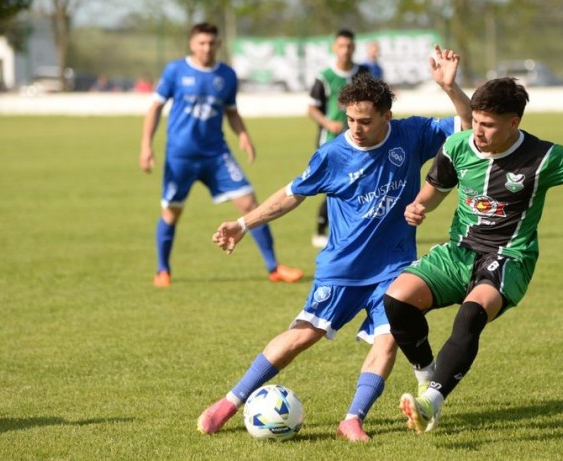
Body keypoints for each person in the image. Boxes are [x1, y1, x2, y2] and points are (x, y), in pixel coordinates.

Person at [197, 45, 473, 442]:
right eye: (350, 119)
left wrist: (450, 88)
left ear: (386, 116)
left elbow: (466, 126)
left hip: (394, 267)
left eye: (364, 121)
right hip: (342, 268)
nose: (355, 128)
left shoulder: (412, 134)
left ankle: (352, 419)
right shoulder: (332, 154)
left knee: (388, 340)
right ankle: (229, 402)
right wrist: (243, 223)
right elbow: (291, 195)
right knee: (302, 334)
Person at [382, 77, 563, 434]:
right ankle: (427, 378)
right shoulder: (456, 146)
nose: (477, 130)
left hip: (509, 256)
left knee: (471, 315)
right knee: (397, 300)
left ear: (513, 123)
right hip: (460, 251)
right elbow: (434, 191)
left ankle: (430, 403)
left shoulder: (542, 157)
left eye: (488, 124)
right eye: (475, 120)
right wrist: (419, 206)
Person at [139, 22, 303, 287]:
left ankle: (274, 267)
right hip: (180, 157)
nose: (206, 48)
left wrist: (243, 135)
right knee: (171, 213)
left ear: (218, 44)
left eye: (211, 43)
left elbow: (231, 111)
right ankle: (162, 270)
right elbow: (155, 108)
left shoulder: (226, 75)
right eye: (201, 43)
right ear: (192, 44)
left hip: (216, 156)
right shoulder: (175, 71)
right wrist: (146, 145)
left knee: (250, 204)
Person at [307, 29, 371, 248]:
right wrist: (328, 123)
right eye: (341, 46)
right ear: (334, 48)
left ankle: (353, 230)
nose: (345, 50)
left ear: (354, 48)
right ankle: (321, 227)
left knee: (361, 183)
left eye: (349, 46)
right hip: (331, 140)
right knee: (338, 185)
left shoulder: (363, 73)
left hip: (360, 138)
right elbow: (311, 109)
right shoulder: (325, 77)